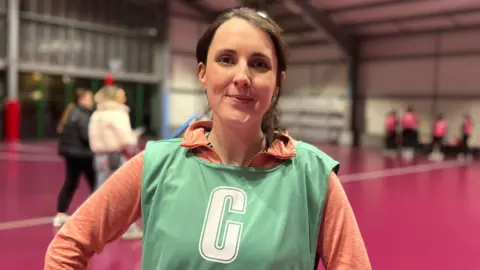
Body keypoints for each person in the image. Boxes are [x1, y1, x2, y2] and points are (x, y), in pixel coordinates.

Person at [45, 7, 371, 269]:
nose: (241, 77)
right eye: (226, 59)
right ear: (203, 72)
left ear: (277, 82)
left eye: (259, 64)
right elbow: (67, 247)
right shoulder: (156, 164)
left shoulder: (313, 176)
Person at [88, 85, 143, 240]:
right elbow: (126, 138)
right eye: (122, 95)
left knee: (100, 193)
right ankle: (126, 229)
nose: (124, 98)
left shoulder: (97, 113)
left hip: (99, 157)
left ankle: (95, 227)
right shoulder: (118, 113)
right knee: (123, 194)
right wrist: (134, 138)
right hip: (114, 157)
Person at [54, 88, 95, 227]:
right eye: (90, 99)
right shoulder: (82, 115)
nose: (92, 102)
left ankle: (61, 212)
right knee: (96, 183)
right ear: (81, 100)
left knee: (71, 182)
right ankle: (96, 212)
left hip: (72, 153)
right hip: (82, 154)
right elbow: (86, 136)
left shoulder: (72, 112)